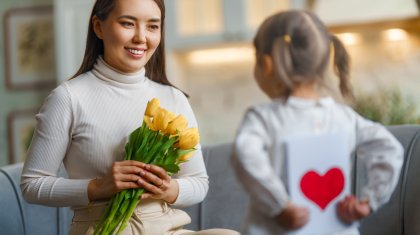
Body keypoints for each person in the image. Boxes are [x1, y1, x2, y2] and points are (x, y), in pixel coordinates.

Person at [20, 0, 239, 234]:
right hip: (103, 228)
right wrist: (96, 187)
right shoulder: (68, 98)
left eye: (153, 26)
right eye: (127, 23)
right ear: (98, 27)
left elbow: (198, 182)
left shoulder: (174, 98)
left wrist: (169, 188)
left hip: (166, 227)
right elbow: (32, 185)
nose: (141, 37)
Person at [231, 10, 403, 235]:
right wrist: (369, 201)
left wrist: (280, 205)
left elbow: (245, 153)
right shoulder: (344, 117)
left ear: (266, 64)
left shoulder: (263, 118)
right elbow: (389, 148)